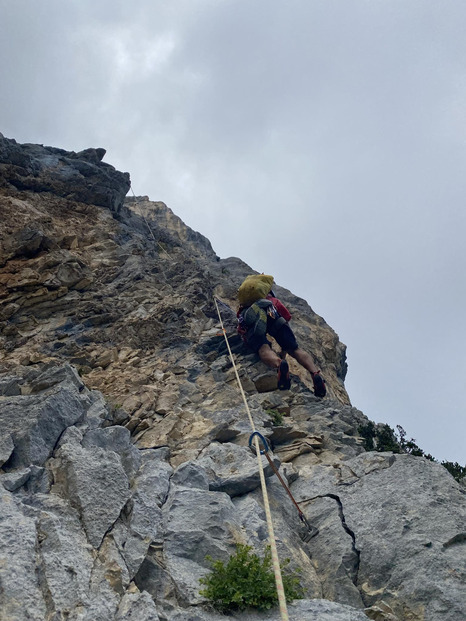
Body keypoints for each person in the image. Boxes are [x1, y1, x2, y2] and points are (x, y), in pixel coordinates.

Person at [237, 276, 326, 397]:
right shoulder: (273, 301)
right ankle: (315, 373)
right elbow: (286, 318)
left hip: (254, 319)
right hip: (274, 315)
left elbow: (242, 325)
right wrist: (285, 349)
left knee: (263, 348)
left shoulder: (245, 307)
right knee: (295, 349)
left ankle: (278, 363)